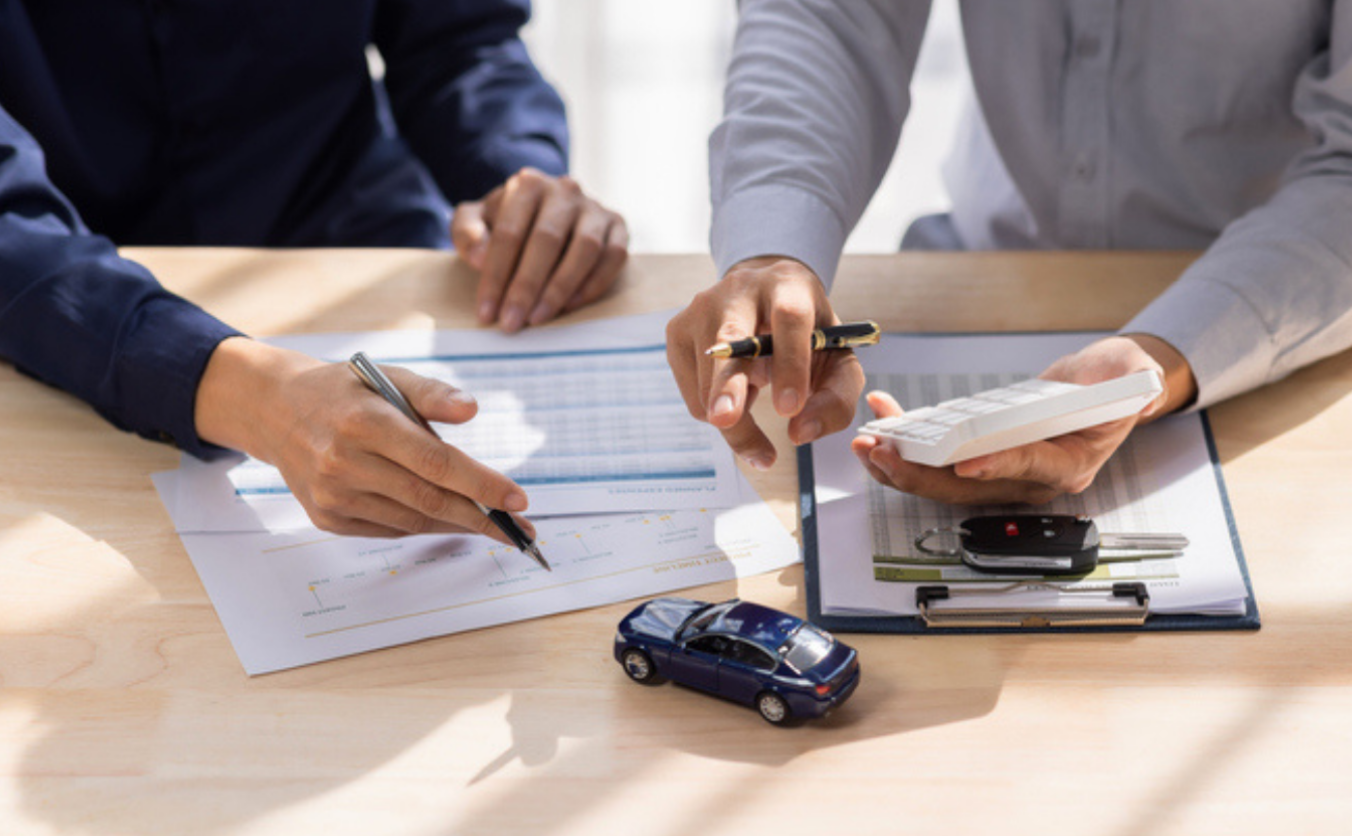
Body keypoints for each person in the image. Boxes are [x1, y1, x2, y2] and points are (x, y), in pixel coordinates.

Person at [667, 0, 1352, 505]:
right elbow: (829, 17)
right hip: (979, 271)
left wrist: (1165, 360)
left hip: (1271, 321)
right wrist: (772, 246)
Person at [0, 0, 627, 541]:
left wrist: (518, 180)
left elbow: (462, 39)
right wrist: (246, 394)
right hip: (60, 311)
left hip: (361, 245)